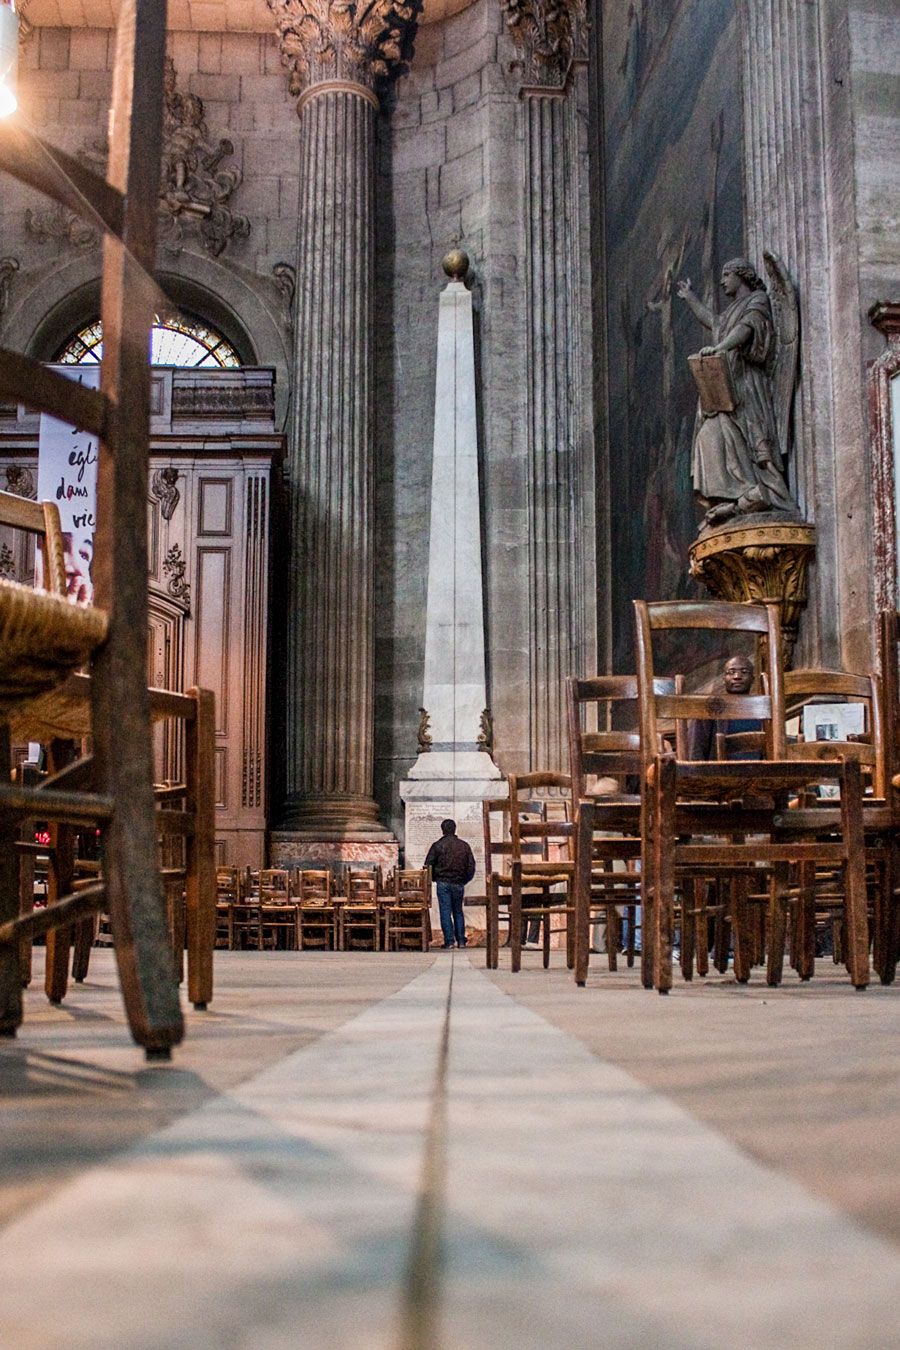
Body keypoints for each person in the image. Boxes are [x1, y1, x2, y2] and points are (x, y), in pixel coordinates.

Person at [676, 259, 798, 529]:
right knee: (708, 436)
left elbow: (746, 330)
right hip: (725, 385)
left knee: (751, 436)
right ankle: (730, 498)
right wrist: (690, 298)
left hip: (747, 385)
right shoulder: (730, 311)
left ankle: (762, 488)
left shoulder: (758, 300)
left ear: (741, 275)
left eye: (726, 274)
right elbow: (712, 320)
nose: (722, 282)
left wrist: (720, 348)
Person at [686, 655, 763, 761]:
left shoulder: (763, 709)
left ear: (753, 679)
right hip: (719, 773)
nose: (737, 676)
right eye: (731, 672)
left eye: (744, 672)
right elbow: (695, 751)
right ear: (723, 679)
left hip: (760, 772)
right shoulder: (708, 709)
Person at [424, 818, 475, 949]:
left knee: (445, 912)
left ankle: (449, 942)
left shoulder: (437, 846)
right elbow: (471, 866)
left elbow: (428, 865)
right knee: (458, 912)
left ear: (442, 830)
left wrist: (434, 878)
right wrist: (465, 880)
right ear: (454, 829)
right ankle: (461, 941)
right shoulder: (464, 846)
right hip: (458, 883)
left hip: (443, 883)